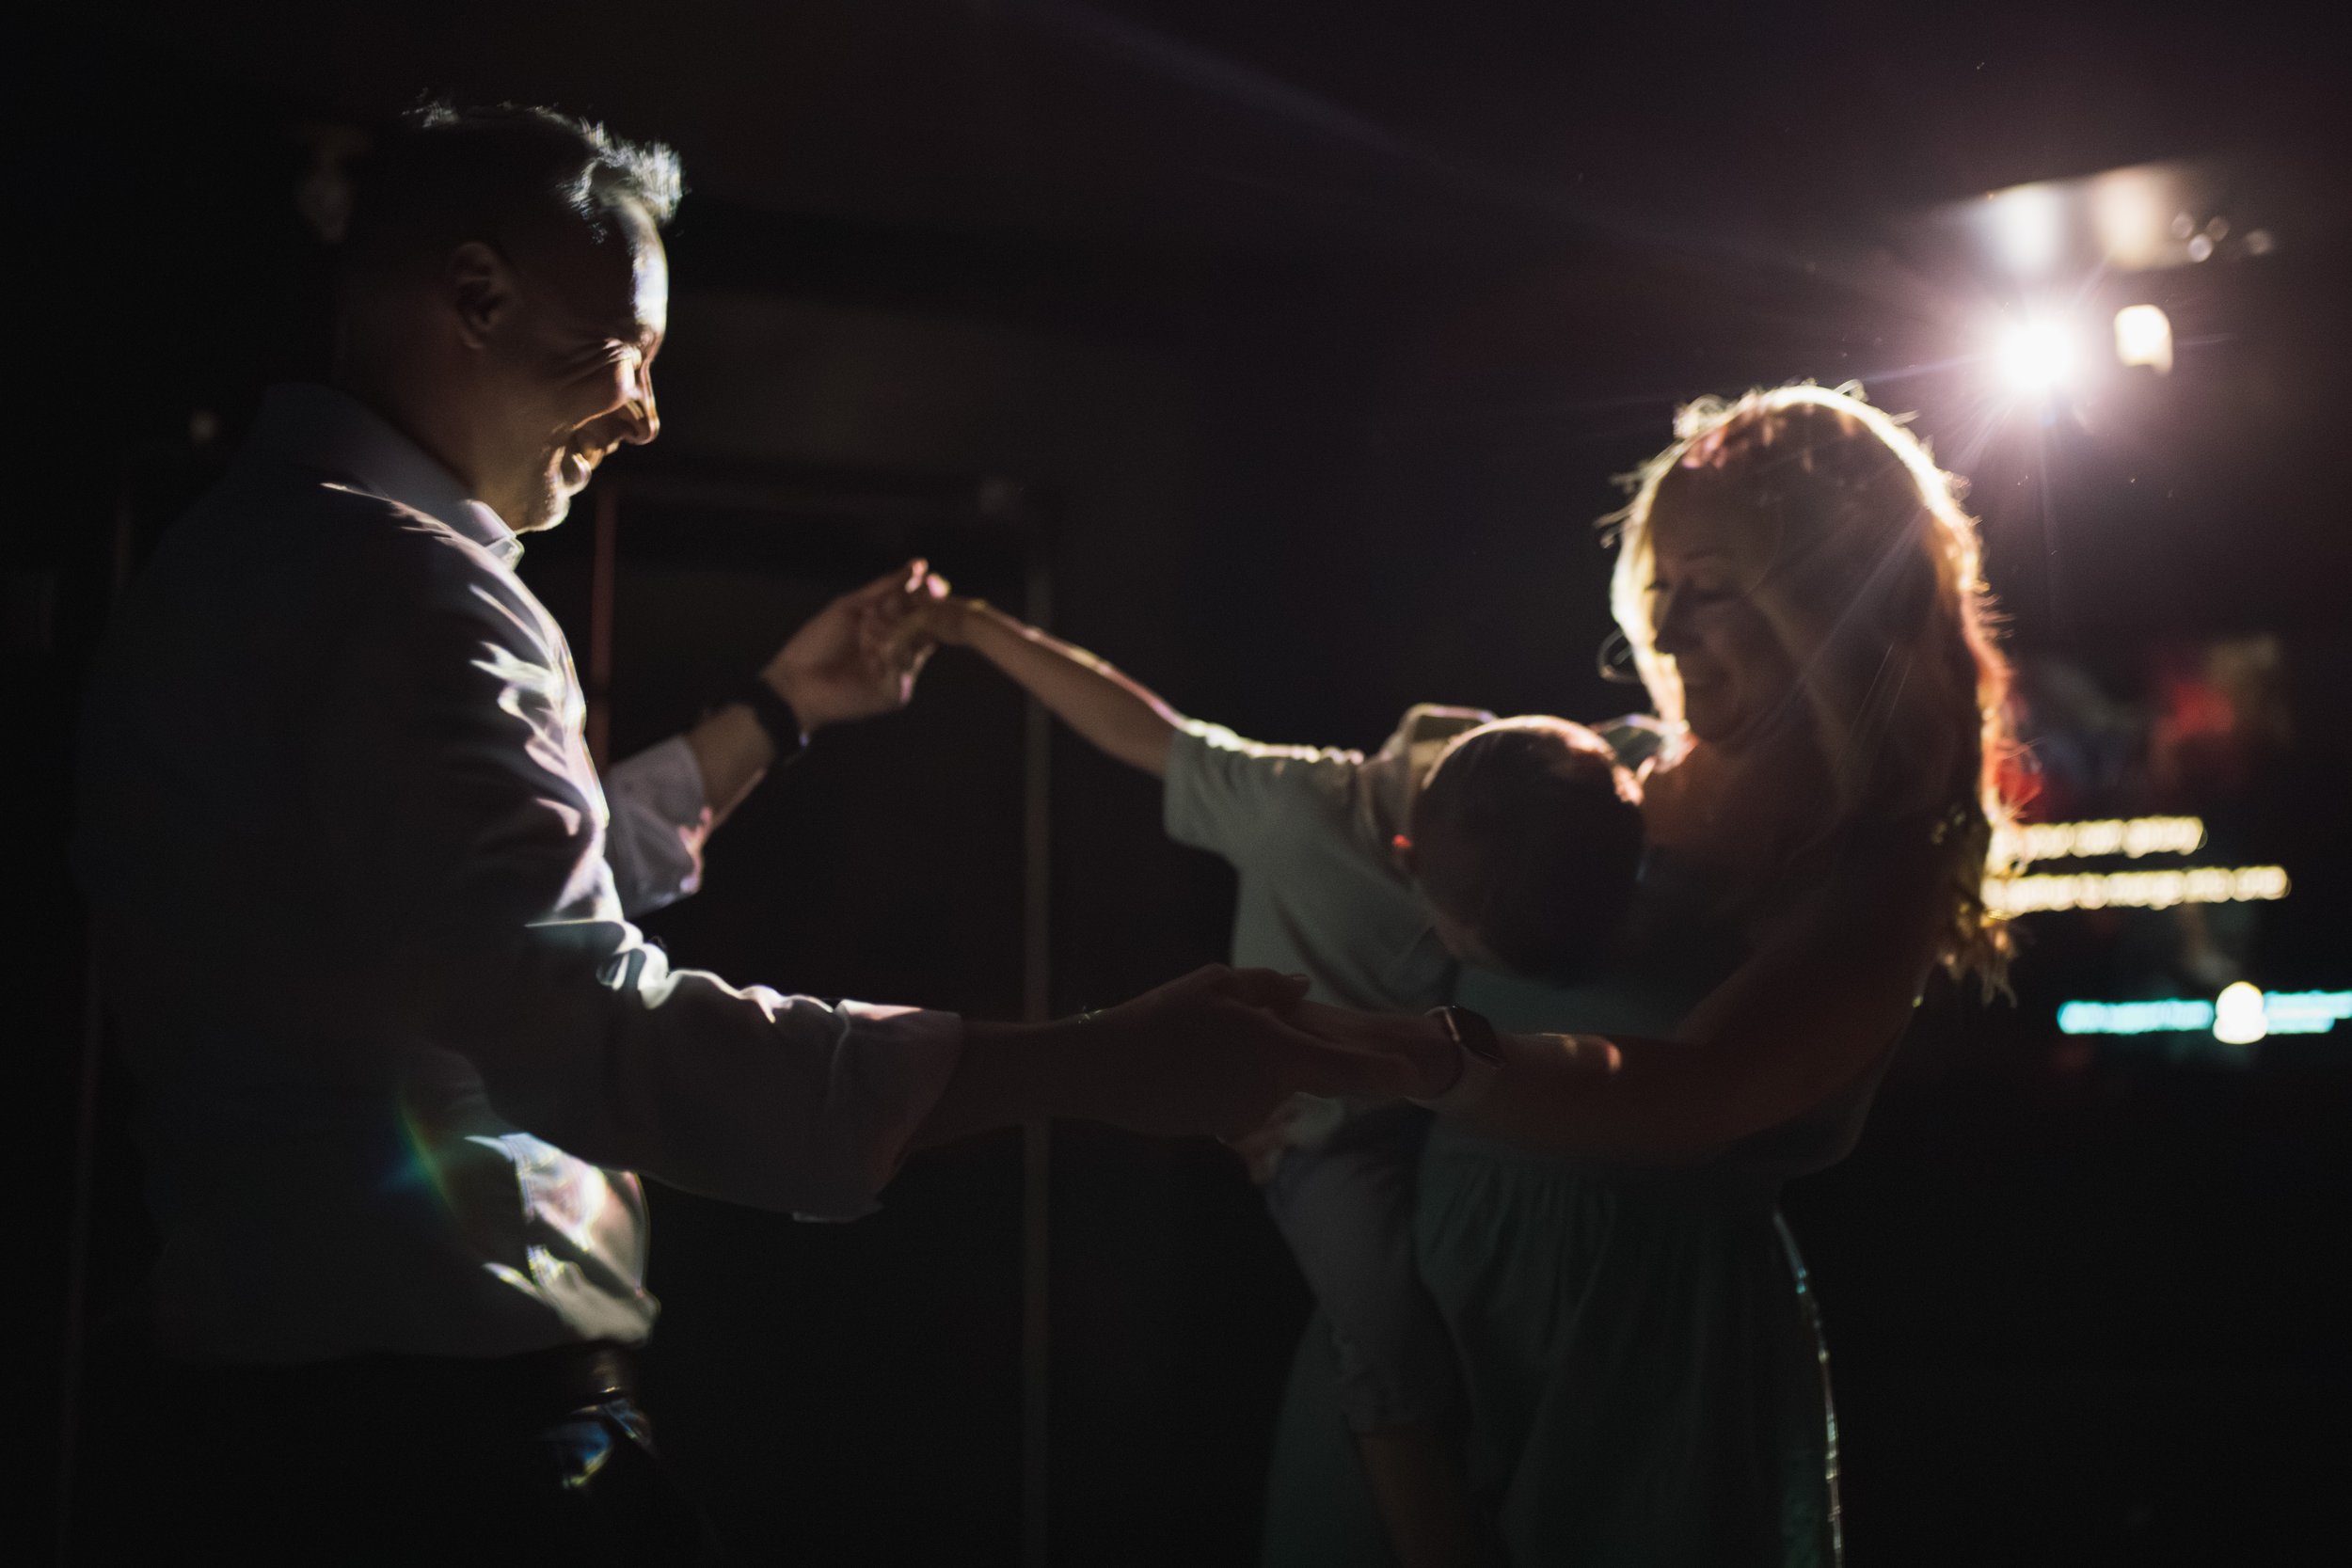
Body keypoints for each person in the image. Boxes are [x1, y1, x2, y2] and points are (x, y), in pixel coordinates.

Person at [69, 104, 1466, 1564]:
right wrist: (1102, 1059)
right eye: (630, 350)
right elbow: (590, 1034)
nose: (648, 412)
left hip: (266, 1414)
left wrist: (781, 708)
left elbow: (461, 920)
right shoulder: (419, 598)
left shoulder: (226, 567)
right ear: (477, 296)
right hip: (448, 1436)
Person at [1263, 383, 2018, 1566]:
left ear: (1837, 599)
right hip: (1423, 1350)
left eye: (1712, 589)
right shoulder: (1583, 780)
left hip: (1644, 1368)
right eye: (1657, 590)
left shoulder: (1875, 867)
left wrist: (1411, 1057)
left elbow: (1694, 1088)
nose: (1663, 637)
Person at [895, 594, 1640, 1565]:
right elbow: (1143, 730)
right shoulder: (1298, 813)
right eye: (1464, 940)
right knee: (1388, 1337)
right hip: (1328, 1137)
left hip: (1464, 1108)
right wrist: (973, 626)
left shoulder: (1562, 779)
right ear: (1407, 857)